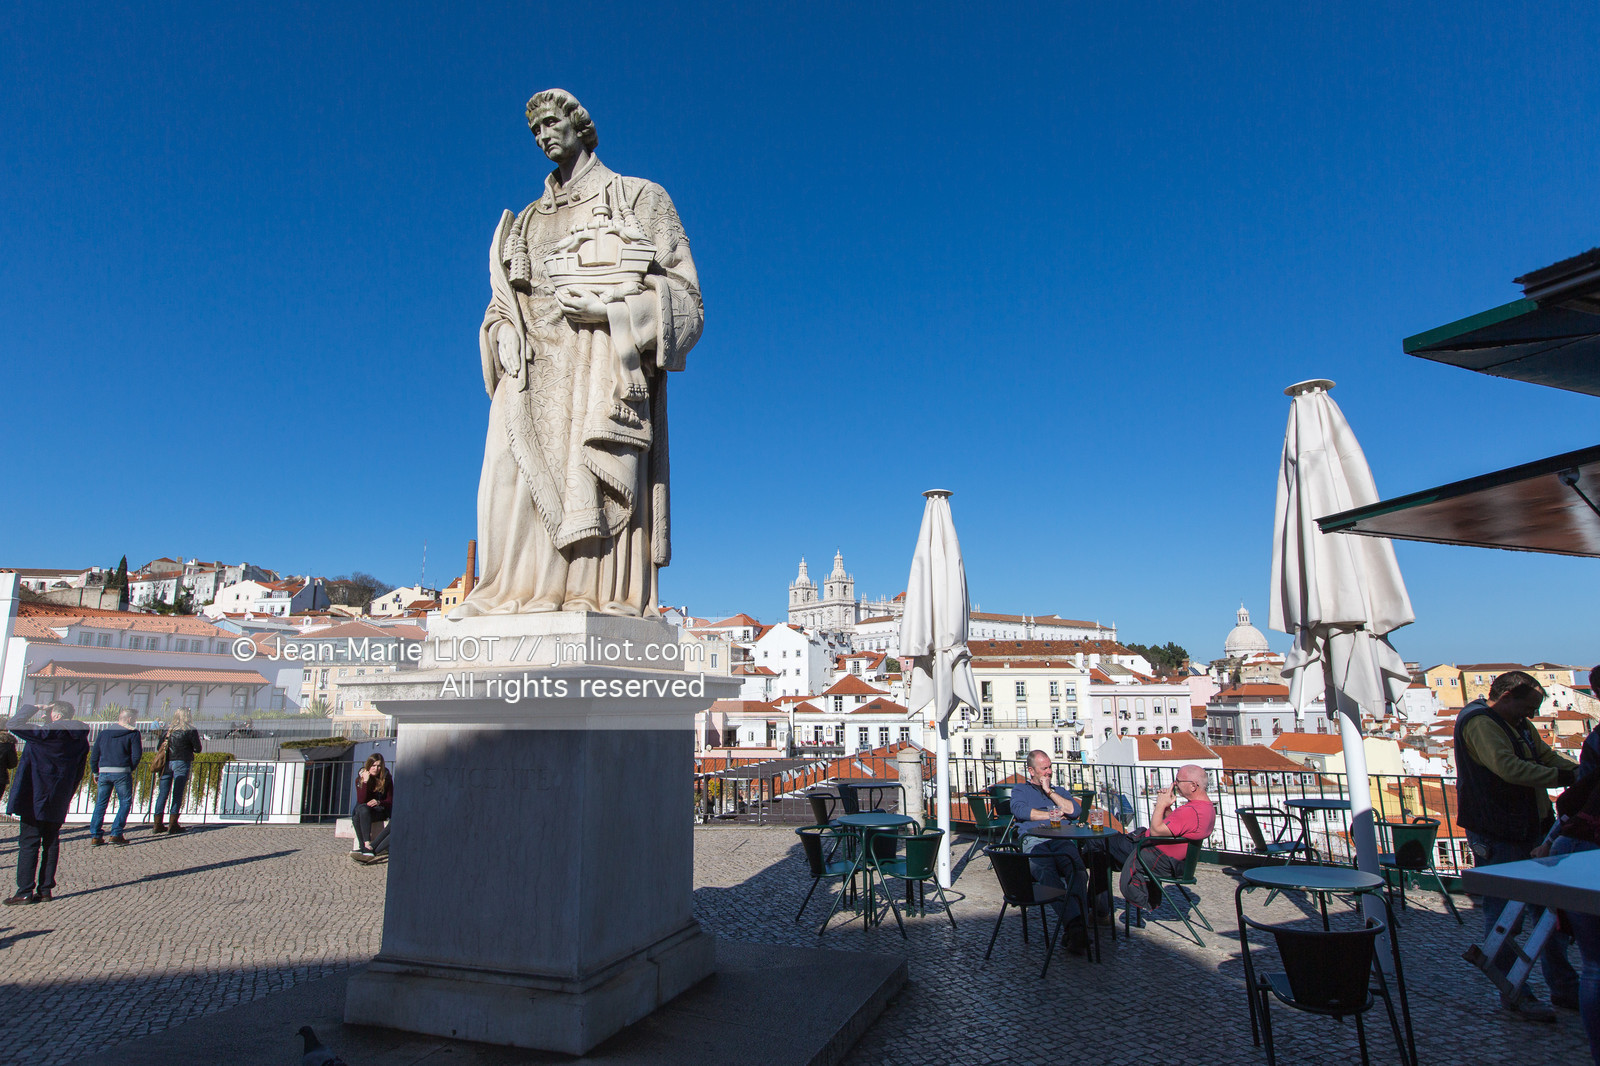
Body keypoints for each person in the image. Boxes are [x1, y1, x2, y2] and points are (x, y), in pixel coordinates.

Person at [450, 88, 703, 620]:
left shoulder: (638, 196)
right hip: (529, 373)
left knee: (592, 478)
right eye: (534, 130)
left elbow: (687, 301)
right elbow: (502, 306)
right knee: (503, 475)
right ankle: (511, 591)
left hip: (599, 366)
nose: (543, 135)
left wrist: (614, 312)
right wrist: (498, 333)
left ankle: (597, 591)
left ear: (580, 126)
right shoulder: (523, 222)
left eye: (550, 123)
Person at [1455, 670, 1580, 1014]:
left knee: (1549, 912)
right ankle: (1515, 992)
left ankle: (1563, 989)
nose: (1533, 716)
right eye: (1529, 708)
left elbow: (1543, 755)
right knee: (1505, 915)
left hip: (1530, 827)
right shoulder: (1481, 723)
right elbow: (1509, 768)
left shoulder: (1515, 722)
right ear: (1507, 697)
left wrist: (1579, 774)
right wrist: (1567, 776)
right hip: (1498, 831)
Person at [5, 701, 90, 904]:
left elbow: (14, 724)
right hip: (59, 794)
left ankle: (24, 890)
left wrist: (35, 707)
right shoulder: (80, 739)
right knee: (51, 842)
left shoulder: (47, 733)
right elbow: (79, 771)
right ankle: (45, 889)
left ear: (56, 716)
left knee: (29, 842)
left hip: (34, 793)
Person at [1106, 763, 1216, 916]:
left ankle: (1093, 910)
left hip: (1151, 853)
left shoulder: (1191, 811)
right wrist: (1167, 808)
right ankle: (1098, 910)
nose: (1175, 784)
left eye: (1178, 781)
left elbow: (1157, 830)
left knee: (1099, 843)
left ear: (1193, 786)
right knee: (1100, 854)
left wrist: (1160, 804)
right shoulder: (1206, 808)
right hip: (1165, 857)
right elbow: (1176, 827)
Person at [1009, 750, 1089, 954]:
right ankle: (1075, 925)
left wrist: (1050, 792)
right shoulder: (1021, 790)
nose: (1049, 772)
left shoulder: (1058, 790)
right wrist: (1051, 815)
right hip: (1034, 839)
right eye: (1044, 769)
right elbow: (1020, 811)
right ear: (1031, 771)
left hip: (1060, 838)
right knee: (1046, 873)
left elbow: (1075, 812)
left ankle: (1075, 926)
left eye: (1050, 767)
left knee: (1078, 870)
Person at [1549, 751, 1600, 1063]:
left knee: (1594, 965)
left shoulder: (1595, 740)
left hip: (1573, 843)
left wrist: (1550, 839)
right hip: (1591, 848)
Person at [88, 707, 142, 845]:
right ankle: (116, 833)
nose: (135, 722)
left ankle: (96, 835)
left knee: (101, 803)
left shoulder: (104, 733)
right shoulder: (133, 733)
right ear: (129, 719)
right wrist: (129, 768)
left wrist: (95, 771)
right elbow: (136, 756)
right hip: (122, 771)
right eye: (134, 719)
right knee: (124, 802)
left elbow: (94, 755)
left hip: (104, 771)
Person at [152, 707, 203, 834]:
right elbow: (197, 748)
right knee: (177, 793)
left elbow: (159, 747)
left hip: (167, 762)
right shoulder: (190, 730)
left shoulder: (168, 730)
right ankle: (173, 823)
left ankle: (157, 824)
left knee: (163, 793)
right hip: (181, 762)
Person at [352, 753, 393, 855]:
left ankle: (367, 848)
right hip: (365, 811)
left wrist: (379, 802)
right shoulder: (360, 779)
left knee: (360, 812)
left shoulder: (386, 778)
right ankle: (365, 845)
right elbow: (361, 800)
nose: (376, 768)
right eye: (373, 766)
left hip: (381, 810)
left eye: (379, 766)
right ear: (368, 766)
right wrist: (365, 782)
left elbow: (390, 800)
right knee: (361, 810)